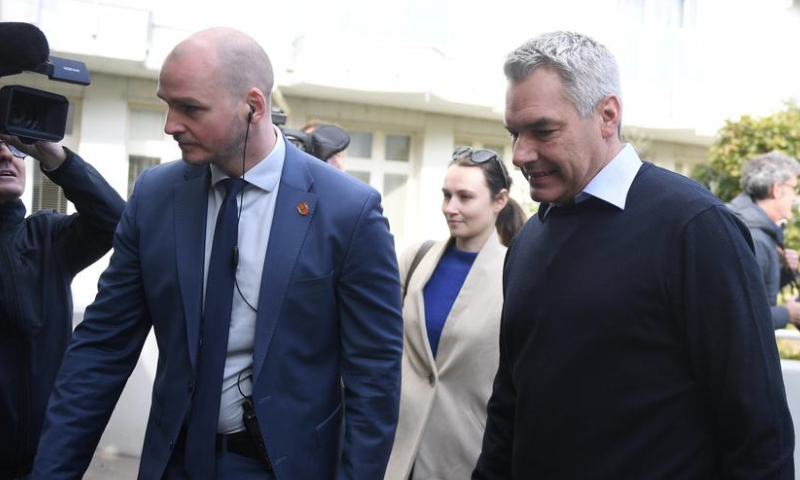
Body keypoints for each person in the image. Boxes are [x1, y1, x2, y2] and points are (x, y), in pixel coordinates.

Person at [31, 27, 403, 480]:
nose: (170, 125)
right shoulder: (154, 196)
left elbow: (374, 378)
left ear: (253, 106)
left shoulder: (349, 211)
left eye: (189, 108)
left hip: (284, 468)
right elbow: (102, 348)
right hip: (173, 463)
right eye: (167, 104)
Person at [473, 31, 794, 479]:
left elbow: (758, 430)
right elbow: (509, 406)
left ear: (607, 115)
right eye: (514, 133)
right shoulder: (530, 239)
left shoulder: (694, 227)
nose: (521, 154)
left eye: (542, 131)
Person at [384, 147, 524, 480]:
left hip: (465, 456)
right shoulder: (415, 258)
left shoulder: (517, 273)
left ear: (499, 200)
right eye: (446, 195)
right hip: (395, 450)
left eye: (465, 197)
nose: (451, 208)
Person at [0, 136, 124, 480]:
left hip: (44, 463)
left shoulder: (45, 238)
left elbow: (115, 221)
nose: (5, 155)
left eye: (14, 149)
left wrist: (56, 156)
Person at [727, 152, 800, 329]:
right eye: (794, 188)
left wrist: (784, 272)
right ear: (776, 189)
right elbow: (737, 313)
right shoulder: (754, 237)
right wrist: (787, 313)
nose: (795, 197)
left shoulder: (753, 229)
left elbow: (756, 290)